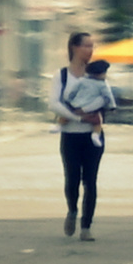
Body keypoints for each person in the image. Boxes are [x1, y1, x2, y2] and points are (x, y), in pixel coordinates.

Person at [48, 31, 115, 242]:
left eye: (92, 46)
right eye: (86, 46)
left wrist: (97, 114)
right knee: (72, 178)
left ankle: (86, 225)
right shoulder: (63, 75)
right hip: (70, 135)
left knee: (91, 180)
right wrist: (77, 118)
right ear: (74, 48)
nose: (90, 50)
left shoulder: (96, 73)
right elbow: (54, 103)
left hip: (92, 135)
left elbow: (106, 98)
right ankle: (72, 210)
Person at [52, 58, 115, 148]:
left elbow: (74, 90)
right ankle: (96, 135)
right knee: (97, 121)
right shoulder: (103, 84)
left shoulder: (82, 80)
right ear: (100, 74)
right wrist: (112, 106)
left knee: (67, 114)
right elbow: (108, 97)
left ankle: (59, 125)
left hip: (77, 103)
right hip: (91, 107)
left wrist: (69, 98)